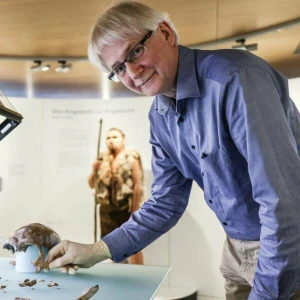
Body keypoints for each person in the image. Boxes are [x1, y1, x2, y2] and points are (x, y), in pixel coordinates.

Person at [46, 1, 300, 299]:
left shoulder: (235, 79)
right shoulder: (160, 116)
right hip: (234, 249)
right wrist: (98, 250)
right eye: (118, 68)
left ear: (165, 33)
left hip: (283, 247)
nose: (132, 72)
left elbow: (282, 204)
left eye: (135, 52)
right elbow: (166, 202)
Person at [87, 127, 144, 264]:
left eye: (115, 137)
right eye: (108, 138)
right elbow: (91, 184)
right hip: (107, 211)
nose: (111, 141)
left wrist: (134, 211)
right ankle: (121, 276)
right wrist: (94, 170)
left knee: (133, 245)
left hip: (125, 209)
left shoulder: (131, 157)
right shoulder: (102, 158)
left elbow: (137, 185)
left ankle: (139, 276)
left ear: (123, 139)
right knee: (112, 247)